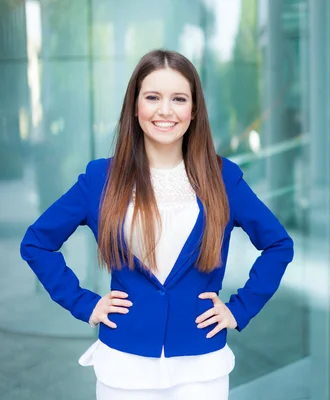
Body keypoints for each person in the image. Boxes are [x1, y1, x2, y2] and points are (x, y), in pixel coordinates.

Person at [20, 49, 294, 400]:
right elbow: (37, 243)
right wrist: (84, 304)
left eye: (178, 99)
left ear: (193, 111)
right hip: (123, 367)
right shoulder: (100, 179)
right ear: (135, 107)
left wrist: (239, 309)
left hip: (202, 368)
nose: (165, 110)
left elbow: (278, 245)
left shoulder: (223, 178)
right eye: (153, 97)